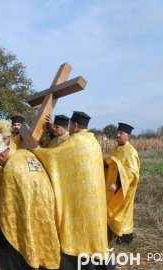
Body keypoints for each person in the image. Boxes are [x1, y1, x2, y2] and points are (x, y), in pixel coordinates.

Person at [33, 111, 114, 270]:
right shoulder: (93, 142)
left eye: (70, 125)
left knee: (79, 233)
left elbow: (53, 157)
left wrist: (35, 150)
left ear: (75, 126)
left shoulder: (75, 141)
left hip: (80, 199)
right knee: (94, 234)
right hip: (95, 199)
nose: (70, 127)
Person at [0, 132, 60, 269]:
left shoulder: (11, 168)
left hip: (30, 209)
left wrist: (0, 214)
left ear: (1, 155)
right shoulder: (24, 154)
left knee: (20, 236)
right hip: (45, 204)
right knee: (43, 236)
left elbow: (9, 203)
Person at [104, 123, 140, 247]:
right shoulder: (115, 149)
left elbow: (131, 173)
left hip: (123, 190)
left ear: (128, 136)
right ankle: (111, 235)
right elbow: (109, 163)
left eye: (121, 133)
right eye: (117, 132)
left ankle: (123, 239)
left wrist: (117, 184)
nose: (118, 135)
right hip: (110, 188)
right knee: (110, 210)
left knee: (122, 212)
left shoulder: (131, 152)